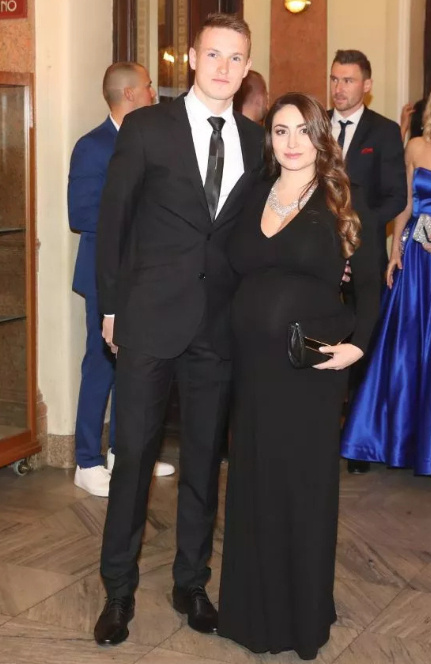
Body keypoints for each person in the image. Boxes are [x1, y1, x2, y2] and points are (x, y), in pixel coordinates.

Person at [93, 13, 264, 646]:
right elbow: (113, 223)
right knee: (134, 459)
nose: (224, 67)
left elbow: (256, 233)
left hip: (217, 328)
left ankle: (191, 583)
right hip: (147, 320)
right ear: (191, 58)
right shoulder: (147, 128)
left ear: (247, 68)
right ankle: (118, 591)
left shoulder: (257, 141)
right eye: (213, 54)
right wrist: (111, 309)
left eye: (236, 58)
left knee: (202, 463)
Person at [218, 93, 381, 661]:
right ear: (269, 139)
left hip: (308, 372)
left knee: (301, 490)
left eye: (302, 130)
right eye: (280, 130)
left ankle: (302, 616)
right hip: (252, 371)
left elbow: (369, 286)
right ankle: (250, 613)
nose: (291, 142)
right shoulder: (252, 192)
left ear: (320, 137)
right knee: (254, 484)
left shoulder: (341, 200)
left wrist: (357, 347)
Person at [341, 73, 431, 477]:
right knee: (406, 349)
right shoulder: (416, 146)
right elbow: (405, 206)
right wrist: (395, 252)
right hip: (417, 262)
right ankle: (400, 440)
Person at [69, 62, 174, 498]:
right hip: (104, 274)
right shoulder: (93, 146)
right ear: (130, 94)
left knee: (135, 367)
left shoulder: (146, 140)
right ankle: (86, 460)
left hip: (143, 274)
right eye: (148, 86)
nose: (153, 93)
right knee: (101, 364)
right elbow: (81, 214)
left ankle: (122, 454)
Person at [329, 49, 407, 474]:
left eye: (348, 80)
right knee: (321, 335)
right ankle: (321, 431)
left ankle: (357, 441)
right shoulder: (315, 125)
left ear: (367, 85)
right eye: (334, 79)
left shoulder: (385, 131)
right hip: (316, 252)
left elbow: (396, 195)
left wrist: (359, 227)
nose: (339, 88)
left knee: (362, 340)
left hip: (365, 252)